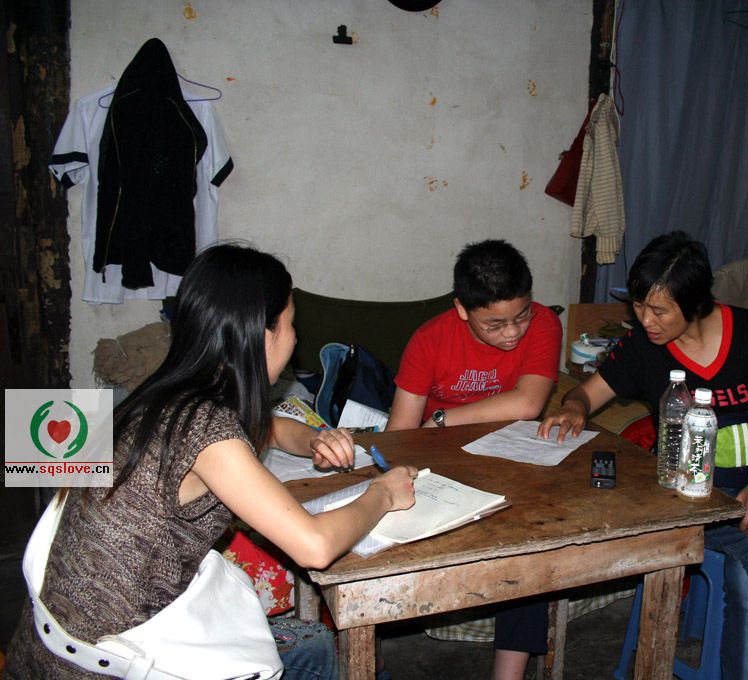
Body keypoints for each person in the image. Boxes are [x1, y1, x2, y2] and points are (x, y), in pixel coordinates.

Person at [6, 243, 418, 680]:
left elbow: (272, 428)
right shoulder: (205, 427)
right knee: (320, 652)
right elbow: (314, 546)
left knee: (311, 642)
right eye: (291, 324)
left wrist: (315, 439)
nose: (295, 338)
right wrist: (383, 492)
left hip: (46, 646)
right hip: (107, 666)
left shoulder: (169, 395)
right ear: (262, 334)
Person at [538, 231, 748, 679]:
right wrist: (573, 409)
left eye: (659, 310)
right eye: (638, 306)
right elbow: (586, 394)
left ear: (696, 302)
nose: (646, 320)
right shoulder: (643, 347)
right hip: (683, 498)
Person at [386, 238, 562, 680]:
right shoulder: (430, 339)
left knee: (529, 544)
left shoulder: (544, 323)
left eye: (521, 316)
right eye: (495, 324)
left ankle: (509, 673)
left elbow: (528, 403)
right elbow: (400, 435)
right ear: (462, 310)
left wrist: (442, 419)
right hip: (443, 465)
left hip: (512, 460)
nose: (513, 332)